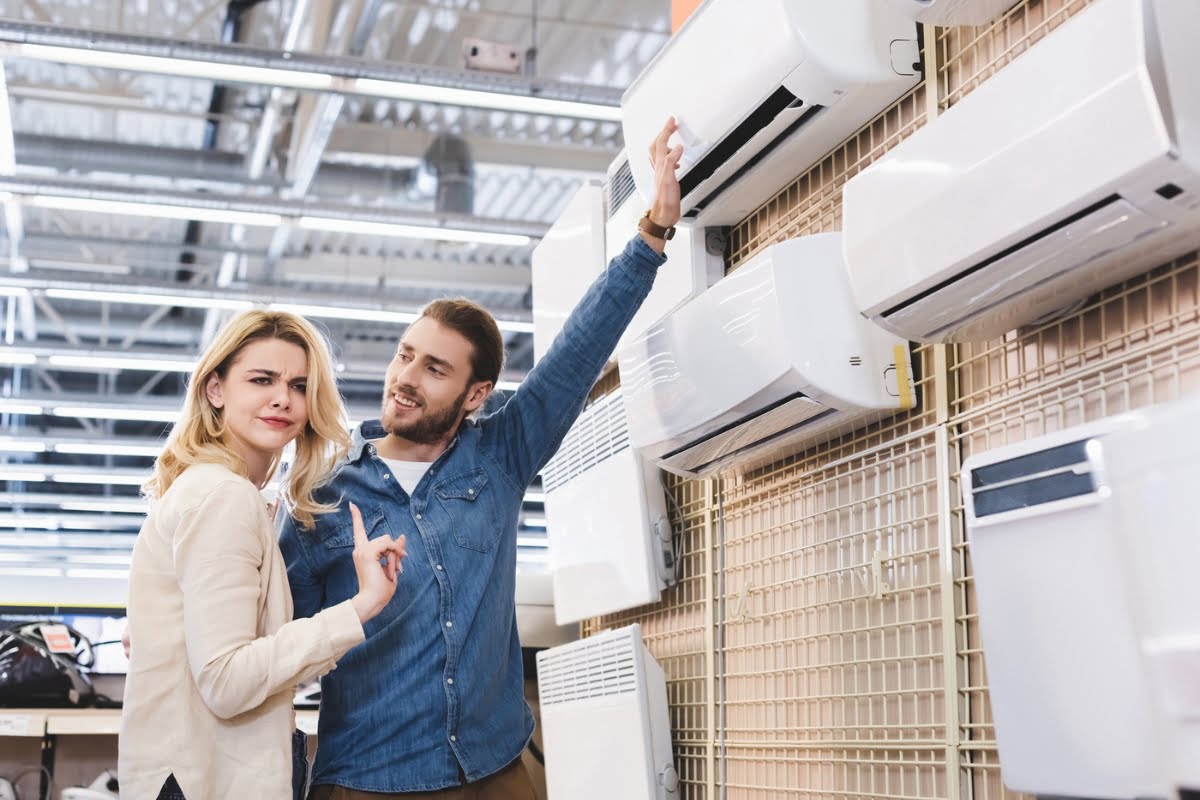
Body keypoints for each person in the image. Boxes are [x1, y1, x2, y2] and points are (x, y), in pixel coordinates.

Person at [278, 118, 685, 799]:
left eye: (434, 368)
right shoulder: (321, 495)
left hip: (496, 772)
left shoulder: (499, 454)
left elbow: (576, 353)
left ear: (476, 395)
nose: (405, 377)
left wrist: (652, 232)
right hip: (369, 781)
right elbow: (276, 650)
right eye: (405, 354)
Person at [119, 311, 408, 800]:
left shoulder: (228, 495)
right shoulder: (222, 497)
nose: (283, 398)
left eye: (298, 385)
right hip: (206, 782)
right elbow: (227, 682)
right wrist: (361, 607)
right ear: (216, 389)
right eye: (261, 380)